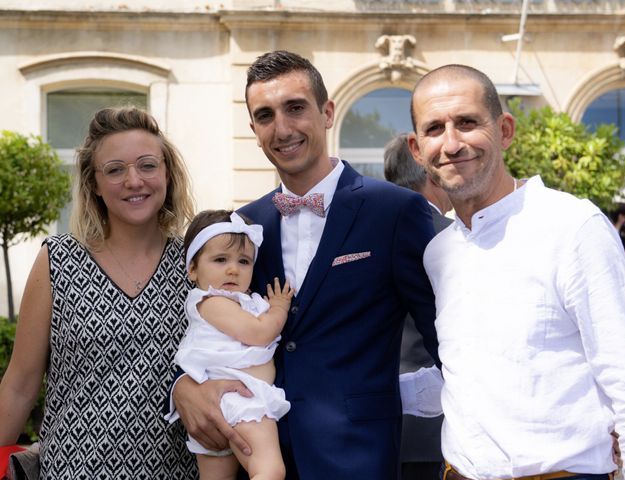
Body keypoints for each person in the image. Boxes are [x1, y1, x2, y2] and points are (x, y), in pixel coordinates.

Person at [168, 50, 439, 479]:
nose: (283, 128)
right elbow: (203, 322)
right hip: (260, 454)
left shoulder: (395, 211)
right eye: (265, 115)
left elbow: (446, 336)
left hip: (358, 458)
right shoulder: (244, 226)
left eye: (295, 108)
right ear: (254, 129)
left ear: (327, 112)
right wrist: (183, 386)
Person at [407, 64, 625, 480]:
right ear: (416, 149)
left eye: (467, 122)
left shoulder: (572, 226)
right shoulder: (438, 253)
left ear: (505, 130)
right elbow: (465, 374)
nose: (452, 143)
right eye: (435, 129)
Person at [0, 106, 199, 478]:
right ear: (94, 182)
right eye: (115, 169)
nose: (134, 180)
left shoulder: (198, 264)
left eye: (147, 165)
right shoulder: (57, 260)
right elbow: (19, 386)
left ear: (167, 174)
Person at [166, 209, 293, 480]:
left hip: (225, 404)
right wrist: (279, 309)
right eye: (220, 259)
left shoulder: (239, 302)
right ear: (192, 269)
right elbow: (259, 334)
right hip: (239, 402)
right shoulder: (212, 302)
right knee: (270, 470)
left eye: (244, 261)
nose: (233, 269)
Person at [384, 133, 451, 480]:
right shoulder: (449, 236)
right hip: (431, 423)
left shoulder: (368, 230)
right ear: (430, 173)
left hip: (372, 420)